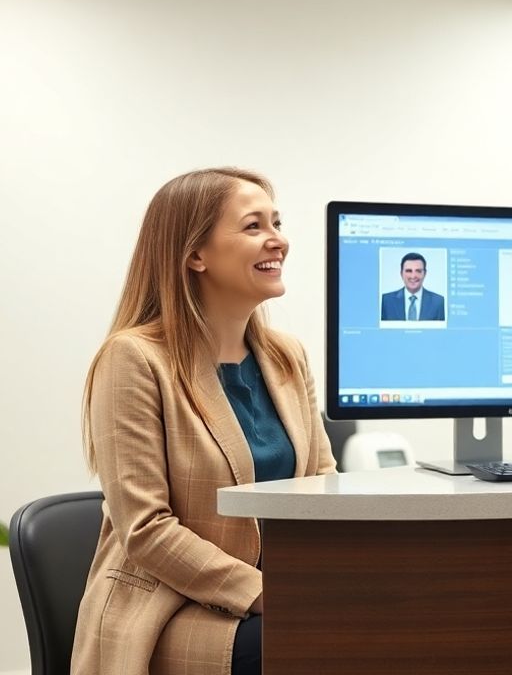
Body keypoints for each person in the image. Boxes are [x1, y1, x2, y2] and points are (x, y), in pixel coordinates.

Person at [72, 168, 336, 675]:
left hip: (275, 597)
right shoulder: (134, 359)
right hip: (168, 610)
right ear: (195, 255)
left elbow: (323, 488)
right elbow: (146, 529)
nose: (278, 240)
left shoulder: (288, 356)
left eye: (276, 222)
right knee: (317, 644)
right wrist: (265, 593)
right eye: (253, 226)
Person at [380, 252, 445, 321]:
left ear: (425, 274)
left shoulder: (439, 302)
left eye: (418, 271)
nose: (413, 276)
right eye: (409, 271)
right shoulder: (386, 301)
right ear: (401, 273)